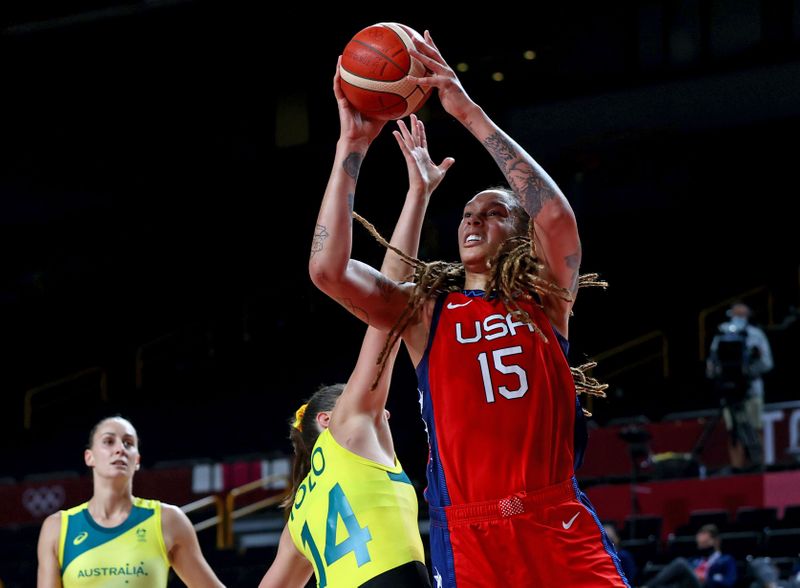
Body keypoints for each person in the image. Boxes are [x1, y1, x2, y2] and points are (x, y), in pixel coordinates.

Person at [309, 31, 625, 587]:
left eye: (494, 211)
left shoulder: (547, 298)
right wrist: (351, 150)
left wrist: (468, 112)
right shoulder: (426, 311)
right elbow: (327, 270)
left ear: (522, 234)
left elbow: (557, 220)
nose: (473, 219)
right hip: (471, 534)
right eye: (466, 214)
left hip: (557, 520)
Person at [259, 113, 452, 587]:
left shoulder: (298, 519)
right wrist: (418, 196)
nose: (382, 410)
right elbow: (388, 307)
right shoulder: (350, 425)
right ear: (327, 419)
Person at [36, 416, 225, 587]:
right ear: (89, 457)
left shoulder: (168, 520)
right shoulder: (58, 527)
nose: (120, 449)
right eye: (108, 441)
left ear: (137, 460)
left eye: (128, 443)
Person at [707, 302, 774, 470]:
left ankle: (758, 466)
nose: (738, 318)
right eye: (735, 314)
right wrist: (716, 372)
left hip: (751, 390)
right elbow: (712, 362)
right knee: (733, 431)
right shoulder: (721, 335)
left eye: (741, 314)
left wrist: (747, 371)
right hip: (729, 391)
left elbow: (767, 362)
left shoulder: (756, 335)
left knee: (754, 428)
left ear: (747, 316)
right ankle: (737, 468)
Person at [643, 524, 736, 588]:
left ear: (715, 541)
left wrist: (707, 579)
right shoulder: (695, 560)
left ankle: (647, 586)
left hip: (704, 586)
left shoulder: (726, 560)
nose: (699, 538)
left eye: (704, 536)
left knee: (680, 563)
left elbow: (729, 582)